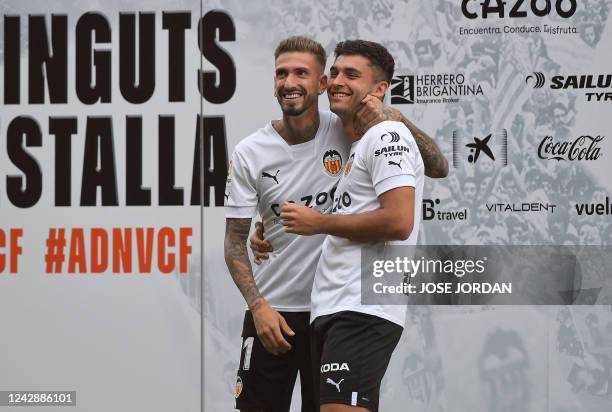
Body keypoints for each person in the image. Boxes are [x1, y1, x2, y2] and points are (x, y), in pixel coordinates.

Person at [224, 36, 446, 412]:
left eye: (301, 73)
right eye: (281, 73)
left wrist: (393, 114)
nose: (289, 82)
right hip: (272, 313)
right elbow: (234, 244)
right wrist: (257, 305)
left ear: (320, 84)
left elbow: (437, 167)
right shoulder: (250, 152)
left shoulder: (351, 128)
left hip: (330, 312)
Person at [278, 40, 424, 412]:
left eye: (352, 75)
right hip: (335, 306)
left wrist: (320, 223)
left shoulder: (387, 135)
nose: (338, 81)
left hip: (361, 308)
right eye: (337, 72)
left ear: (379, 90)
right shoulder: (360, 143)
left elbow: (398, 221)